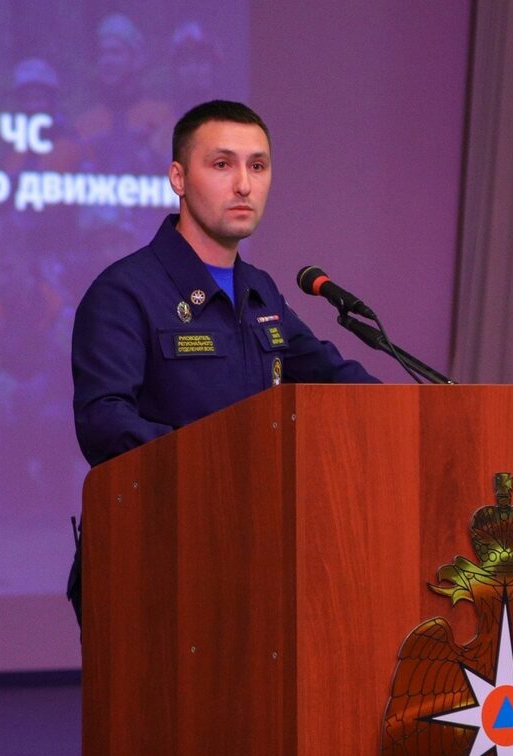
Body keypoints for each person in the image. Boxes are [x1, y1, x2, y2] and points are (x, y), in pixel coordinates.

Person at [67, 99, 379, 619]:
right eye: (221, 164)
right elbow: (103, 421)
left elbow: (331, 377)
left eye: (257, 166)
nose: (243, 184)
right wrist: (219, 463)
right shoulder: (125, 292)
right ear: (178, 178)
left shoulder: (260, 291)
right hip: (157, 562)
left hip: (254, 558)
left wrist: (412, 414)